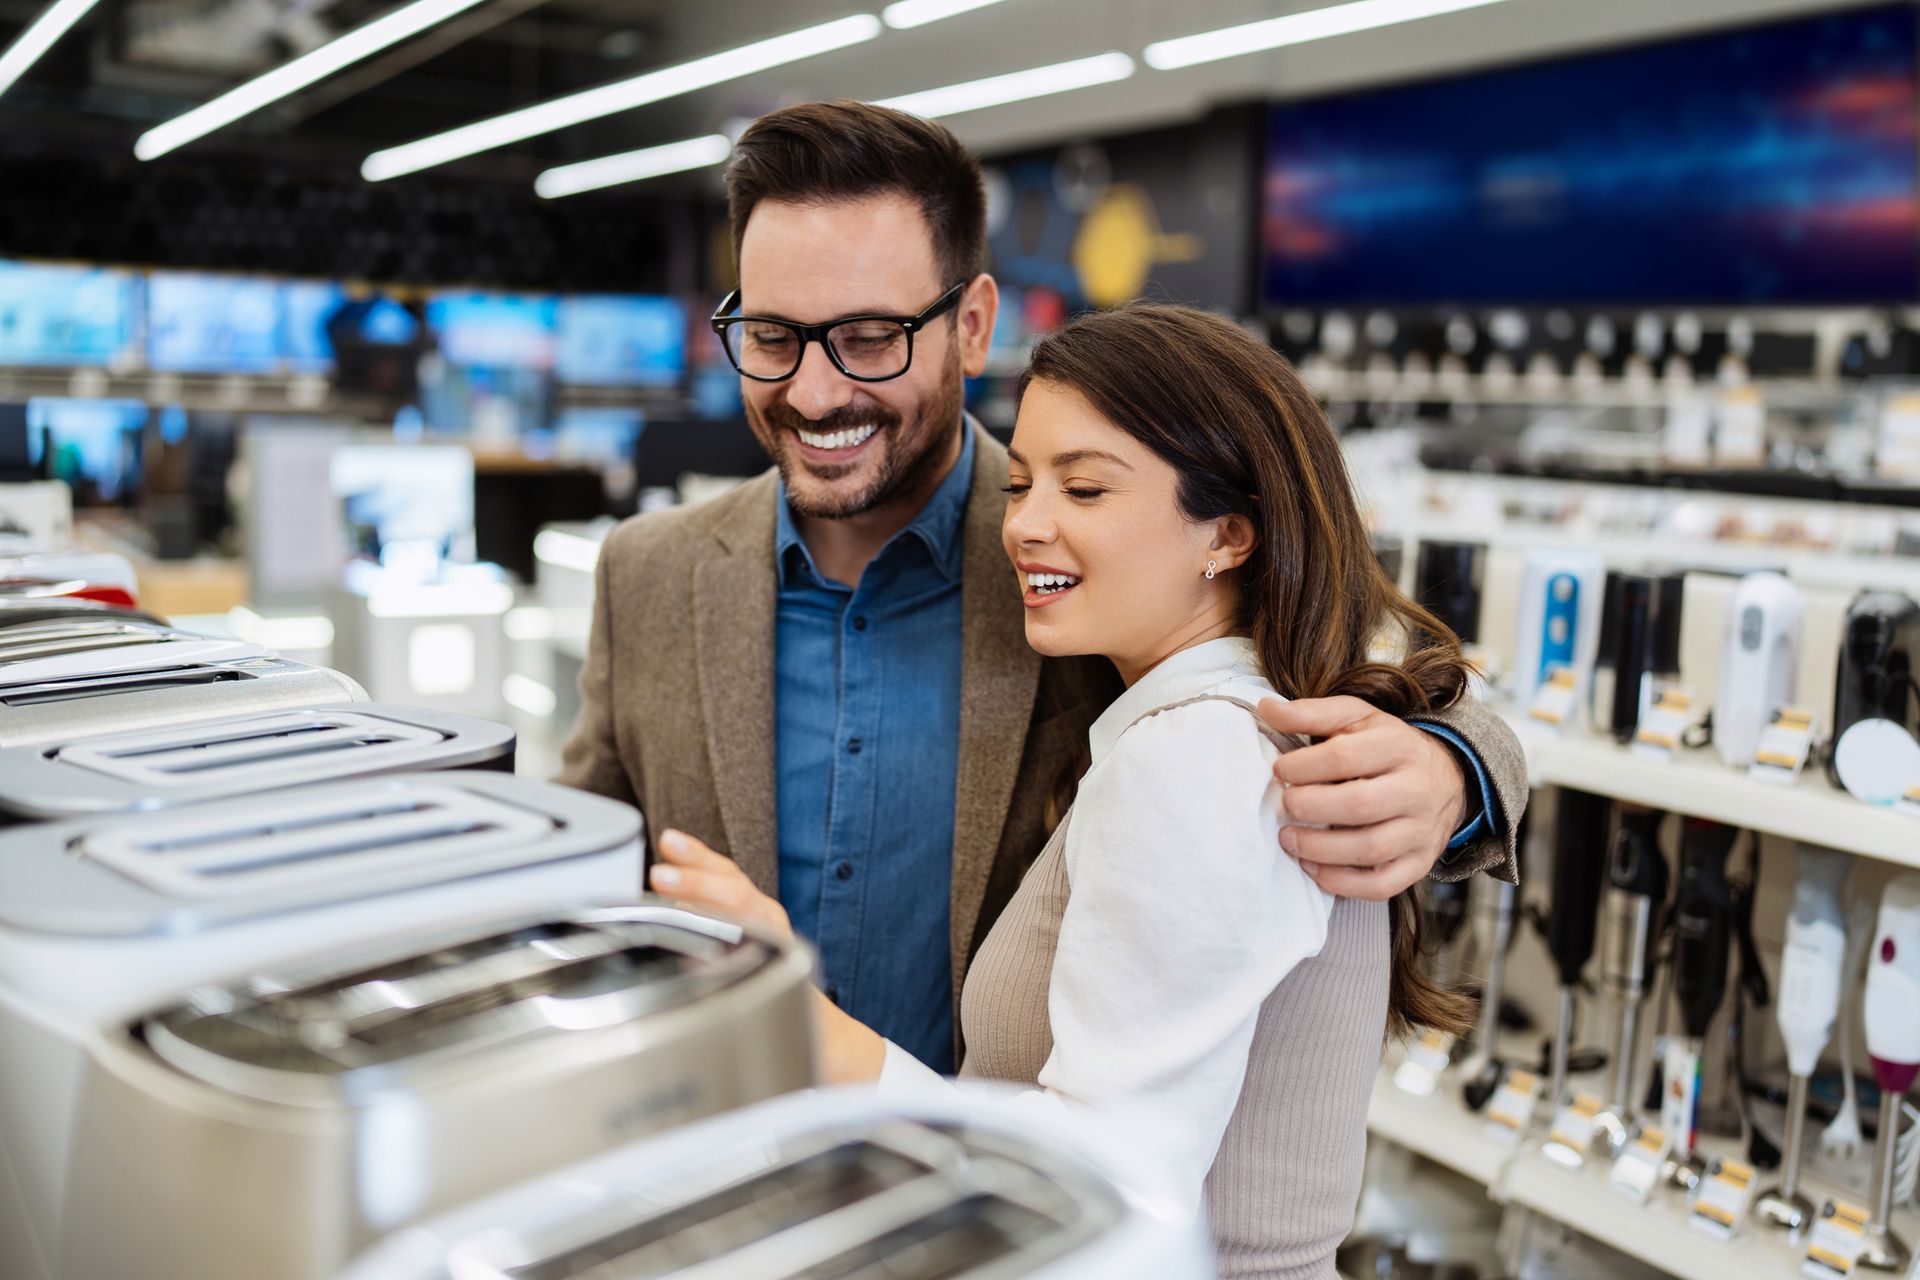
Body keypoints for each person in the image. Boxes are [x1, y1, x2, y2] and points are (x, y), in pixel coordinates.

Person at [556, 101, 1525, 1076]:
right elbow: (586, 862)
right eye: (772, 336)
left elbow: (1414, 688)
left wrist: (1450, 773)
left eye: (867, 336)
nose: (813, 392)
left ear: (972, 326)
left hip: (1006, 1198)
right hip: (719, 1168)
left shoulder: (1086, 561)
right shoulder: (651, 573)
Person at [651, 301, 1479, 1279]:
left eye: (1084, 488)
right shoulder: (1200, 725)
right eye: (1021, 482)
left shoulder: (1197, 758)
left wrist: (794, 1009)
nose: (1028, 524)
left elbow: (1096, 1188)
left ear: (1229, 533)